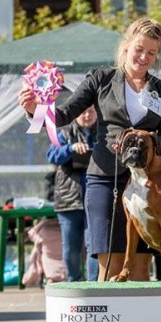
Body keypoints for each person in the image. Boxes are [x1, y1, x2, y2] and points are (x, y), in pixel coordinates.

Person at [19, 17, 161, 281]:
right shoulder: (100, 79)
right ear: (126, 46)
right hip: (105, 179)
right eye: (139, 49)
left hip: (145, 184)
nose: (143, 57)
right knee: (110, 266)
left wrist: (141, 142)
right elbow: (66, 113)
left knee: (138, 269)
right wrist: (35, 111)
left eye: (152, 53)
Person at [46, 106, 98, 281]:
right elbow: (52, 155)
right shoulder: (64, 133)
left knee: (95, 246)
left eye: (91, 111)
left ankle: (94, 286)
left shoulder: (105, 131)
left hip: (96, 200)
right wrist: (70, 149)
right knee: (70, 248)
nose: (87, 115)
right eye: (83, 111)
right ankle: (74, 283)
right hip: (69, 199)